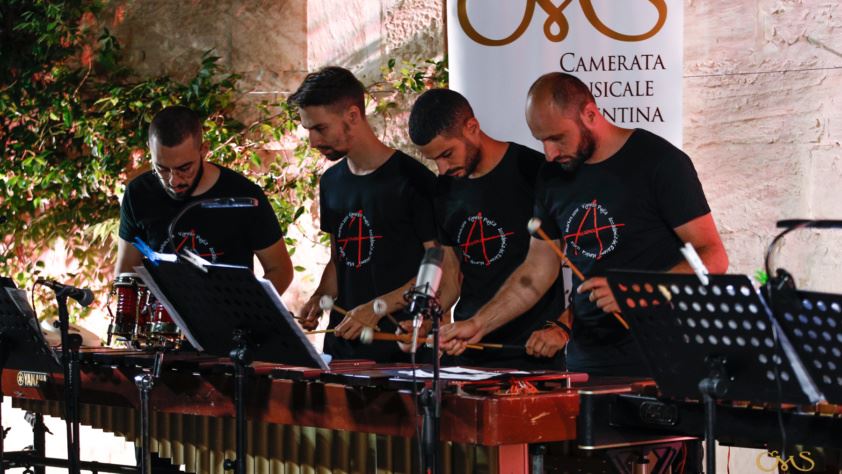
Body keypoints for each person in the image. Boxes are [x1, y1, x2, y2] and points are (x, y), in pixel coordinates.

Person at [439, 72, 729, 376]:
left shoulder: (660, 162)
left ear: (590, 114)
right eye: (542, 141)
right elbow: (536, 271)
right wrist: (479, 324)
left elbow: (712, 257)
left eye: (557, 138)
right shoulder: (552, 177)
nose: (549, 154)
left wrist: (636, 291)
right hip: (585, 362)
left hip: (661, 358)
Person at [407, 88, 568, 369]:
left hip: (533, 350)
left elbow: (544, 265)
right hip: (469, 349)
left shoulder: (534, 172)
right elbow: (451, 276)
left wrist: (563, 328)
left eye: (447, 154)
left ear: (472, 127)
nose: (442, 168)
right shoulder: (443, 190)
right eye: (434, 160)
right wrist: (427, 321)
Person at [290, 66, 439, 363]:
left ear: (353, 116)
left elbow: (440, 268)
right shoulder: (331, 182)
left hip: (399, 351)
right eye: (308, 130)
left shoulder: (413, 181)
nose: (313, 142)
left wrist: (378, 307)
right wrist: (320, 297)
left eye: (320, 128)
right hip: (342, 348)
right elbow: (340, 259)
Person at [116, 106, 293, 295]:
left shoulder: (244, 196)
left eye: (184, 168)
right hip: (161, 319)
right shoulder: (138, 193)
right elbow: (126, 272)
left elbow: (280, 270)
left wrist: (249, 313)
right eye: (162, 169)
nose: (173, 180)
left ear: (204, 151)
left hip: (228, 318)